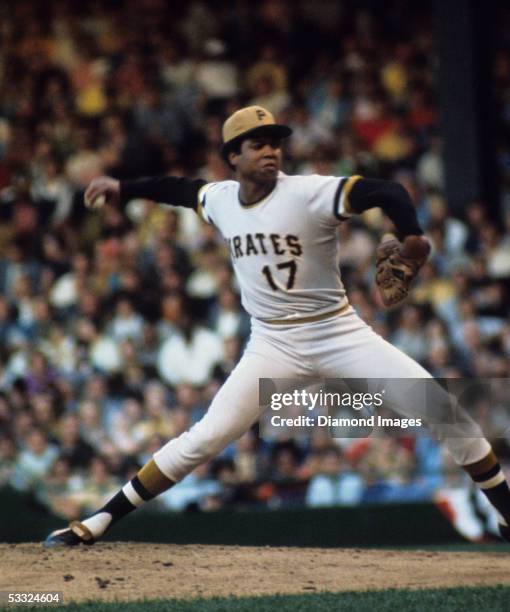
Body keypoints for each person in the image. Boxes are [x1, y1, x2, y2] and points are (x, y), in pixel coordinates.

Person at [44, 105, 510, 547]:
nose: (270, 151)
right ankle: (99, 520)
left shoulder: (309, 192)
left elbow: (386, 191)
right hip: (272, 344)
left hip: (337, 332)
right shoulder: (221, 199)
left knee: (446, 411)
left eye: (274, 143)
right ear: (232, 157)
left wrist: (411, 235)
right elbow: (178, 189)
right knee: (205, 438)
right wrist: (122, 188)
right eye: (256, 144)